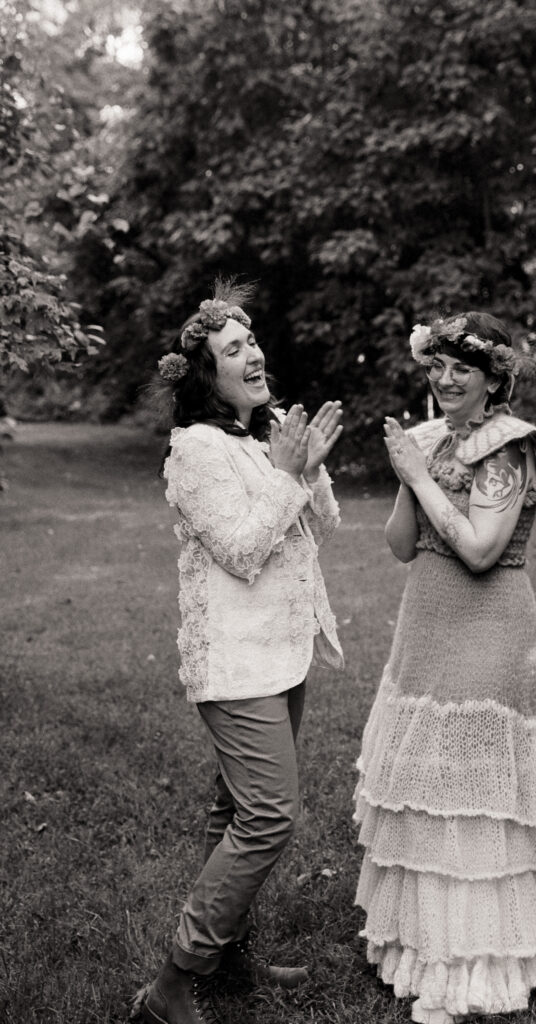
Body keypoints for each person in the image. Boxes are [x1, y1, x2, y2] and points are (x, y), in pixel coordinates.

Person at [353, 312, 536, 1023]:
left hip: (490, 628)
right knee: (428, 789)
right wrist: (406, 474)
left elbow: (481, 549)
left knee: (475, 793)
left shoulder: (508, 446)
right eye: (435, 367)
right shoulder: (428, 440)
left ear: (492, 380)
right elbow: (400, 545)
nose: (444, 380)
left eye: (461, 368)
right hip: (425, 625)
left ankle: (477, 970)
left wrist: (421, 476)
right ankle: (427, 950)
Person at [140, 281, 344, 1024]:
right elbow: (241, 549)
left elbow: (318, 525)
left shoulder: (254, 441)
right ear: (209, 376)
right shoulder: (195, 450)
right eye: (235, 349)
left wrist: (307, 463)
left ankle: (223, 964)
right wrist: (288, 473)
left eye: (252, 341)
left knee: (234, 808)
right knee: (267, 816)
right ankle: (173, 981)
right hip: (234, 663)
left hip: (280, 654)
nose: (254, 352)